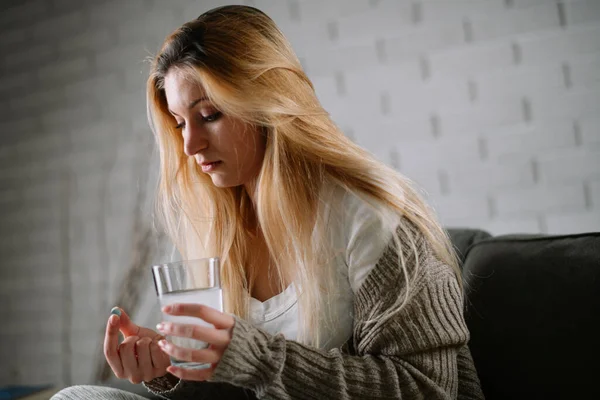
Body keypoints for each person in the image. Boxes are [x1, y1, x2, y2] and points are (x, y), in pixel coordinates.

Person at [53, 5, 484, 400]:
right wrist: (170, 366)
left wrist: (256, 358)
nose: (189, 145)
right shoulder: (216, 230)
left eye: (209, 115)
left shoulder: (373, 220)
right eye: (180, 123)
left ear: (266, 102)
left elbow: (428, 387)